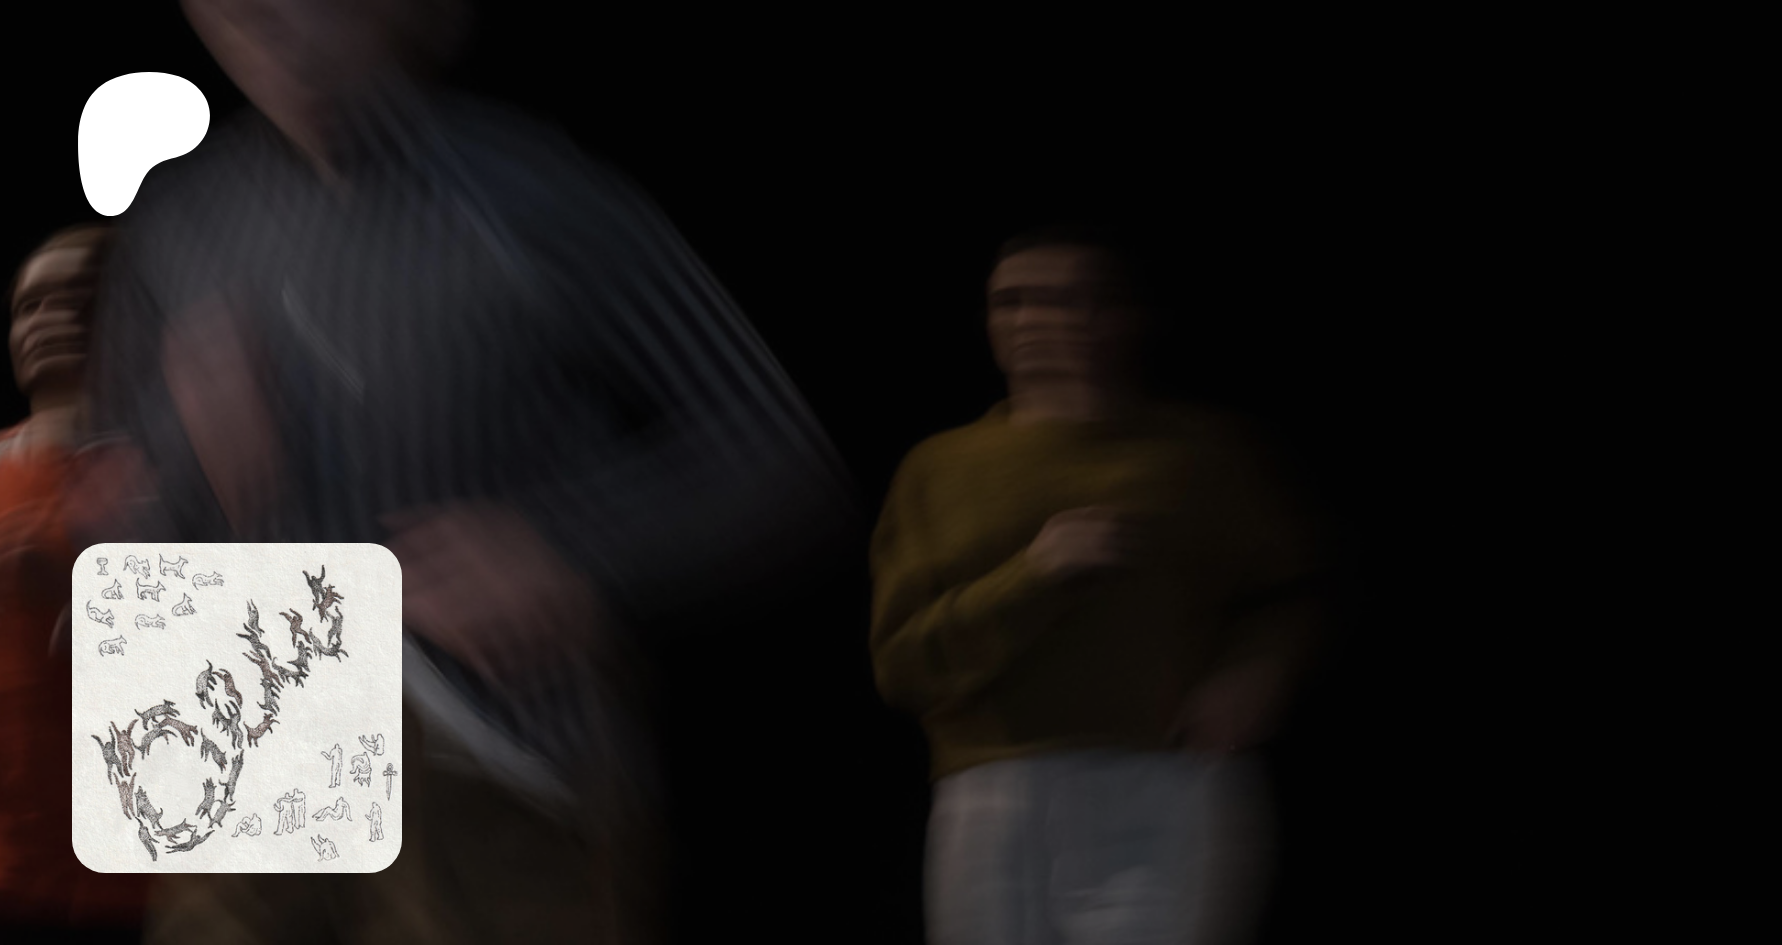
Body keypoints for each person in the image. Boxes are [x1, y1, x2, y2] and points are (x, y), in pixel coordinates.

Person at [82, 0, 855, 942]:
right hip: (254, 776)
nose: (265, 21)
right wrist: (179, 459)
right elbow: (116, 530)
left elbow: (777, 457)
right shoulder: (179, 227)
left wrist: (567, 552)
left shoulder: (532, 194)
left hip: (498, 777)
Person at [869, 227, 1328, 944]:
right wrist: (1034, 575)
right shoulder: (939, 470)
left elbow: (1290, 591)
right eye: (1012, 301)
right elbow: (904, 666)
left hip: (1169, 781)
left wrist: (1259, 668)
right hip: (991, 795)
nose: (1038, 320)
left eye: (1075, 299)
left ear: (1129, 315)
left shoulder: (1206, 453)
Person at [0, 223, 153, 933]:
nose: (46, 319)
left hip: (137, 893)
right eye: (27, 305)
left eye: (77, 296)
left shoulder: (185, 481)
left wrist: (76, 597)